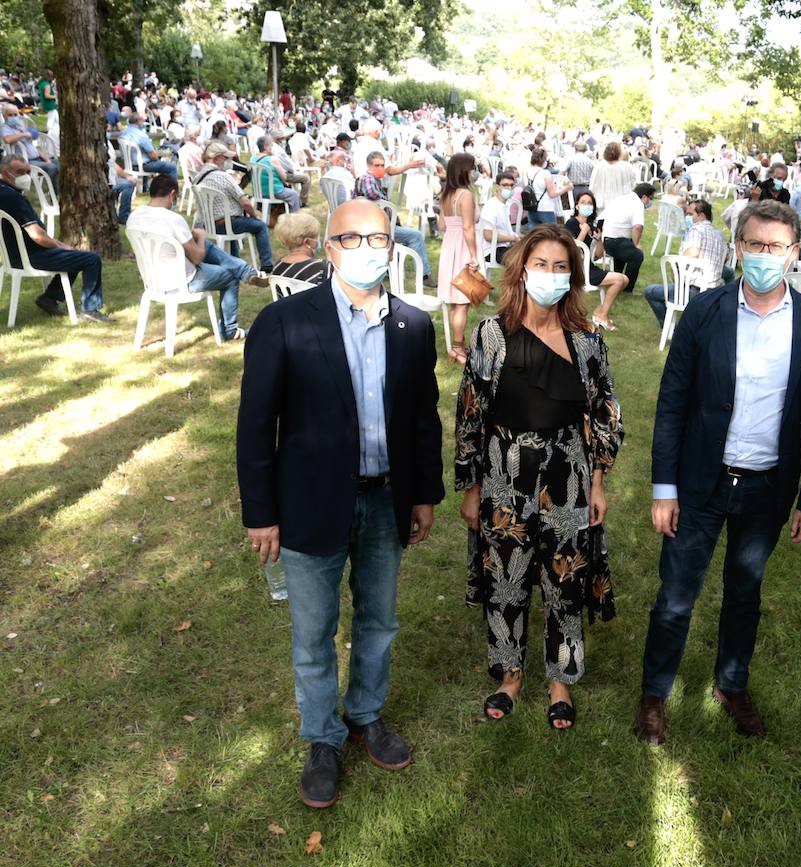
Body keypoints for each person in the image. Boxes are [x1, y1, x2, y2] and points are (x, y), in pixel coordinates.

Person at [236, 198, 445, 809]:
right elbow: (256, 426)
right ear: (328, 249)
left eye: (377, 238)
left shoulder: (413, 326)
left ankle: (366, 714)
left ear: (392, 247)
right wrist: (260, 512)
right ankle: (323, 737)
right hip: (308, 503)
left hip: (387, 502)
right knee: (313, 632)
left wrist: (424, 495)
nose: (366, 250)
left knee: (379, 620)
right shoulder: (285, 323)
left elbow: (422, 420)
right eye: (351, 239)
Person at [634, 200, 801, 746]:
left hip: (768, 486)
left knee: (745, 592)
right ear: (738, 248)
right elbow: (672, 401)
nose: (764, 255)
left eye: (775, 246)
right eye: (754, 244)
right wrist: (664, 486)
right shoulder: (706, 312)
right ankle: (655, 693)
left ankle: (731, 683)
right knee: (676, 595)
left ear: (795, 254)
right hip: (701, 481)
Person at [455, 224, 623, 730]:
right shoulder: (491, 334)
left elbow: (603, 414)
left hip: (567, 470)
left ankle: (560, 680)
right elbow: (470, 414)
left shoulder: (587, 340)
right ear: (521, 271)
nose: (550, 275)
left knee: (564, 577)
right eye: (540, 265)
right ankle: (509, 675)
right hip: (504, 468)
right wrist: (471, 486)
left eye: (560, 266)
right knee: (505, 576)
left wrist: (597, 482)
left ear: (573, 275)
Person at [127, 174, 267, 340]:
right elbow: (197, 258)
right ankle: (230, 329)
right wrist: (200, 237)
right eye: (176, 197)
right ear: (172, 195)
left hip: (153, 279)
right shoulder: (173, 219)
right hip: (182, 280)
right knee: (229, 276)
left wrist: (194, 238)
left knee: (206, 246)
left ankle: (246, 270)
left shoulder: (134, 216)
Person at [0, 156, 109, 322]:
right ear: (4, 173)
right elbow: (37, 236)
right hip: (31, 257)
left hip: (13, 257)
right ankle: (91, 309)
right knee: (91, 259)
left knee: (74, 256)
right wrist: (62, 246)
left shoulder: (4, 192)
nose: (25, 176)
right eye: (19, 172)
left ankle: (49, 299)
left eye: (27, 172)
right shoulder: (14, 198)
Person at [642, 198, 730, 327]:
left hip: (694, 291)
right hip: (713, 291)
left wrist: (676, 268)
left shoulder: (696, 230)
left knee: (650, 292)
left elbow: (693, 252)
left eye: (690, 214)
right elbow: (726, 258)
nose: (687, 217)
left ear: (701, 215)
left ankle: (673, 328)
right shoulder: (719, 235)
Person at [354, 151, 435, 287]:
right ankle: (424, 275)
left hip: (376, 226)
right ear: (369, 166)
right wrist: (384, 202)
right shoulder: (367, 179)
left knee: (407, 233)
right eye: (377, 165)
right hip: (376, 228)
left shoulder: (374, 180)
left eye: (382, 165)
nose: (380, 168)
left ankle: (391, 267)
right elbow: (371, 194)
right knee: (416, 236)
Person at [194, 142, 273, 271]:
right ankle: (267, 264)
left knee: (234, 223)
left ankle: (235, 264)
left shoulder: (197, 177)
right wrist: (254, 216)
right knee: (260, 226)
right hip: (227, 224)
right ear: (217, 157)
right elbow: (246, 203)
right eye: (225, 158)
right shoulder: (224, 177)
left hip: (208, 225)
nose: (227, 161)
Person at [437, 152, 481, 362]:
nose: (475, 172)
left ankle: (459, 344)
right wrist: (473, 255)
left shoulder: (447, 194)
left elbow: (441, 225)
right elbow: (468, 227)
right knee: (462, 302)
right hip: (463, 248)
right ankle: (457, 348)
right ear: (465, 170)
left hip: (449, 247)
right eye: (473, 168)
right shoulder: (465, 195)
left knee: (457, 302)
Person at [564, 191, 630, 330]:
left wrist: (599, 240)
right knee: (619, 280)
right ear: (577, 206)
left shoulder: (592, 226)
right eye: (583, 202)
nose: (586, 206)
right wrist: (583, 231)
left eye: (590, 203)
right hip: (577, 268)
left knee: (624, 280)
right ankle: (602, 316)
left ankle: (600, 312)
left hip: (589, 266)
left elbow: (598, 256)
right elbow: (571, 250)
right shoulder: (571, 223)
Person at [600, 182, 654, 294]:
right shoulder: (638, 204)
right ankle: (627, 289)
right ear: (644, 197)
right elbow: (638, 227)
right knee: (637, 255)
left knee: (625, 248)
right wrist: (636, 244)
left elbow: (602, 218)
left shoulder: (621, 198)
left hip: (607, 239)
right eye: (650, 198)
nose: (650, 202)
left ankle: (617, 280)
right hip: (616, 240)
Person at [2, 103, 59, 183]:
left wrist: (47, 159)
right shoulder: (5, 128)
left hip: (38, 158)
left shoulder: (20, 127)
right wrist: (24, 134)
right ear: (4, 116)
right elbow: (7, 139)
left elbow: (35, 146)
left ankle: (63, 188)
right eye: (10, 115)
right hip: (27, 161)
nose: (13, 117)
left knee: (59, 163)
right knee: (52, 168)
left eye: (15, 114)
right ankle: (56, 194)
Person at [269, 212, 328, 284]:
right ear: (307, 241)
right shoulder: (321, 267)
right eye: (316, 237)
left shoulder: (278, 266)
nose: (318, 241)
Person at [478, 169, 520, 264]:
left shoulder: (506, 204)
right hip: (491, 250)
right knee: (520, 262)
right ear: (497, 187)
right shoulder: (491, 206)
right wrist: (512, 238)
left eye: (511, 185)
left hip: (504, 247)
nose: (509, 188)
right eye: (505, 185)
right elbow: (488, 236)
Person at [250, 136, 301, 212]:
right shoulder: (272, 159)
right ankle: (293, 219)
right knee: (293, 195)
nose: (272, 147)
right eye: (271, 145)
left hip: (258, 192)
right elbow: (284, 177)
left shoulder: (252, 158)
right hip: (274, 192)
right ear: (266, 147)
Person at [120, 113, 176, 179]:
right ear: (138, 121)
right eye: (143, 120)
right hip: (143, 166)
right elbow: (152, 155)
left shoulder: (123, 133)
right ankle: (171, 188)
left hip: (128, 165)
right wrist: (158, 161)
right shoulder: (141, 135)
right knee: (172, 168)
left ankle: (146, 187)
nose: (144, 122)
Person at [525, 146, 571, 226]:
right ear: (543, 160)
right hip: (546, 208)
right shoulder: (545, 173)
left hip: (531, 207)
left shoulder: (526, 171)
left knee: (534, 235)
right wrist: (566, 188)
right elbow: (552, 194)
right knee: (550, 234)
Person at [589, 142, 638, 206]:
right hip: (621, 203)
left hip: (603, 204)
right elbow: (633, 184)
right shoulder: (627, 167)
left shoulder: (599, 166)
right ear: (619, 152)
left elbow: (593, 186)